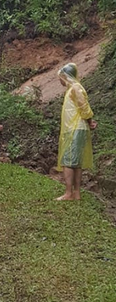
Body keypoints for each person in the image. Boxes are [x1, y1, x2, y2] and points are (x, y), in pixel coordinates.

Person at [56, 63, 97, 202]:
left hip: (74, 128)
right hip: (75, 128)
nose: (60, 81)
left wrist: (89, 120)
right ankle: (76, 193)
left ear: (66, 76)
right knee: (76, 162)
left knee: (68, 161)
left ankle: (68, 193)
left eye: (61, 77)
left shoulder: (75, 88)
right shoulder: (73, 88)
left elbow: (83, 106)